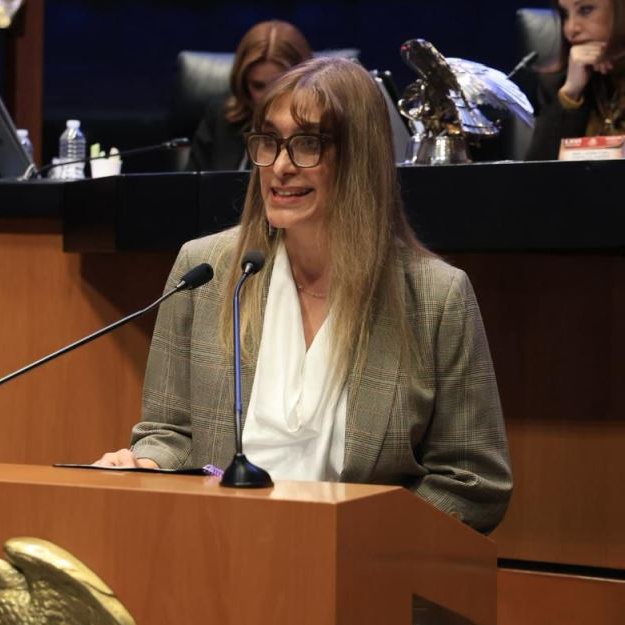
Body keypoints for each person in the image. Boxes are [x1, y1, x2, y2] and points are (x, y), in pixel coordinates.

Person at [97, 58, 513, 535]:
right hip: (218, 551)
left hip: (356, 568)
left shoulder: (436, 296)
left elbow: (472, 482)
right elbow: (169, 433)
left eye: (308, 144)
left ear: (360, 158)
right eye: (269, 141)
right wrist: (146, 465)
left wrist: (367, 540)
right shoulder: (206, 270)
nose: (280, 166)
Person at [186, 20, 312, 171]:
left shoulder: (316, 130)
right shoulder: (220, 118)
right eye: (258, 86)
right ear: (243, 83)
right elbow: (191, 184)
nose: (267, 99)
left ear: (302, 82)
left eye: (278, 86)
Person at [527, 0, 625, 160]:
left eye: (585, 10)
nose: (570, 29)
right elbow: (537, 170)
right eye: (565, 14)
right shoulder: (559, 85)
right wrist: (571, 94)